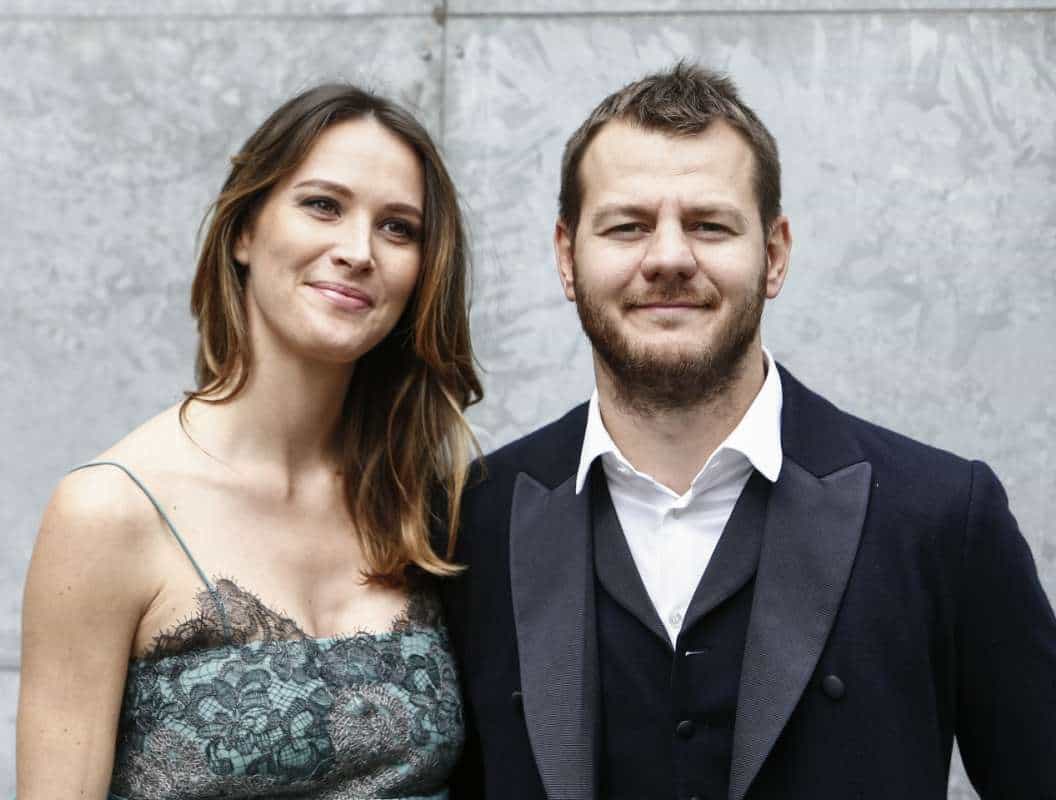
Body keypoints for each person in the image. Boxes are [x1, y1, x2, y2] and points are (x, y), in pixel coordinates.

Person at [441, 62, 1056, 799]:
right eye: (628, 226)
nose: (669, 258)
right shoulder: (471, 520)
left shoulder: (943, 517)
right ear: (567, 257)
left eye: (709, 225)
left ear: (775, 253)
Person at [16, 84, 481, 800]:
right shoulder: (107, 511)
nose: (358, 251)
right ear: (244, 232)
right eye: (322, 205)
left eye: (398, 228)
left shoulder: (427, 501)